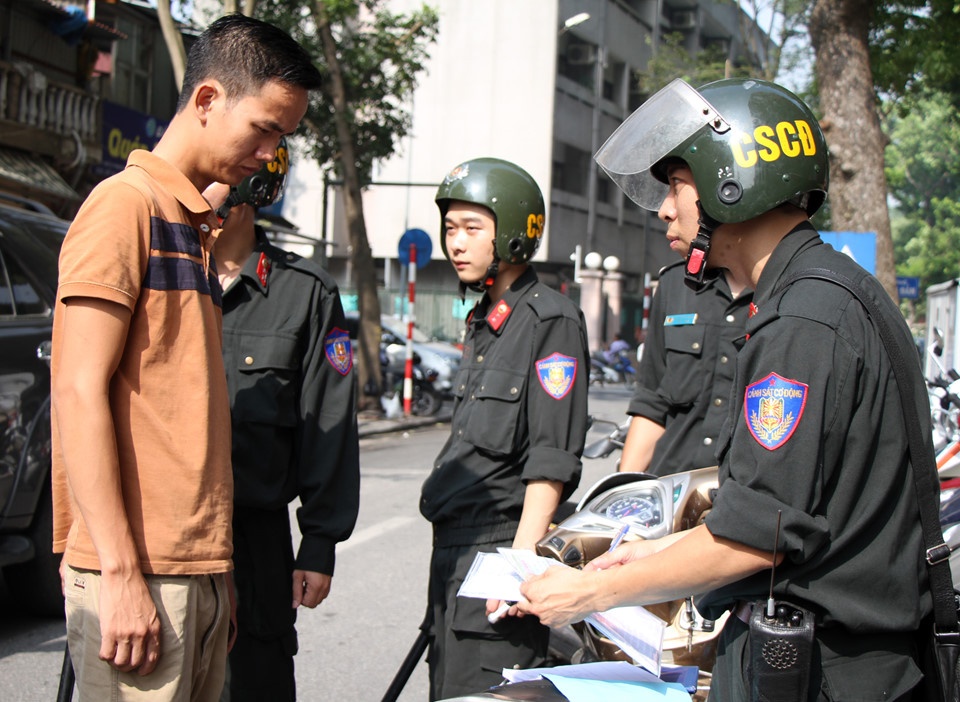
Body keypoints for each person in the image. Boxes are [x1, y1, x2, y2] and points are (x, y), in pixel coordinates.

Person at [518, 78, 935, 700]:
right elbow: (791, 507)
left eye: (677, 186)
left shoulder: (800, 320)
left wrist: (588, 593)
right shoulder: (824, 291)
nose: (664, 209)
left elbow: (757, 535)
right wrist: (655, 554)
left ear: (730, 180)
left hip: (822, 668)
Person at [50, 14, 322, 701]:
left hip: (194, 571)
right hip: (140, 571)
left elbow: (183, 417)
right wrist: (117, 573)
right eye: (263, 127)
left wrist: (215, 569)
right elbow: (77, 393)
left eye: (282, 136)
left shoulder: (189, 229)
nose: (268, 152)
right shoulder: (123, 209)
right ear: (206, 100)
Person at [419, 157, 590, 700]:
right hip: (452, 554)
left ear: (513, 234)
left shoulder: (550, 319)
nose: (457, 244)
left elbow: (550, 456)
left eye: (473, 229)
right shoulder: (487, 321)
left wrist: (519, 567)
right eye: (451, 229)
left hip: (497, 554)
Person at [209, 141, 360, 702]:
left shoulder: (306, 293)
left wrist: (319, 541)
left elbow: (330, 422)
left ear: (254, 186)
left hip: (257, 542)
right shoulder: (163, 273)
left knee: (257, 683)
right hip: (168, 538)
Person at [619, 257, 752, 476]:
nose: (666, 219)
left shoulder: (791, 286)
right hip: (672, 488)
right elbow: (651, 402)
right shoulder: (676, 281)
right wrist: (622, 490)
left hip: (742, 498)